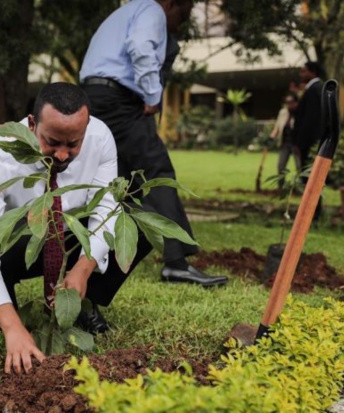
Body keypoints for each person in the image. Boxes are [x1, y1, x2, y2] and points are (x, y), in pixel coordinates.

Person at [0, 83, 153, 375]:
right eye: (52, 142)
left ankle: (85, 300)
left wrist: (82, 269)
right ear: (31, 124)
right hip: (23, 241)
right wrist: (13, 327)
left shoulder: (100, 137)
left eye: (73, 144)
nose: (63, 155)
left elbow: (105, 209)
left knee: (135, 226)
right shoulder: (3, 149)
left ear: (87, 126)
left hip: (73, 236)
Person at [79, 0, 227, 287]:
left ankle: (101, 255)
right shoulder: (152, 9)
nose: (176, 26)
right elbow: (141, 46)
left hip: (95, 97)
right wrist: (152, 96)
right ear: (171, 4)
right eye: (179, 18)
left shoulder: (126, 12)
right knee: (156, 173)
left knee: (114, 180)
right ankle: (176, 263)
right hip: (119, 101)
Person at [293, 61, 324, 220]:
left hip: (309, 143)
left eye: (304, 71)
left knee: (310, 178)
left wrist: (300, 143)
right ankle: (312, 212)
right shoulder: (316, 89)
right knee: (311, 178)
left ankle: (313, 213)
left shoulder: (314, 90)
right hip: (312, 142)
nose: (301, 75)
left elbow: (309, 120)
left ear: (312, 72)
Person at [270, 92, 301, 189]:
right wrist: (271, 137)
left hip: (296, 144)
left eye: (291, 102)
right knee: (281, 166)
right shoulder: (283, 112)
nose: (289, 105)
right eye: (287, 102)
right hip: (285, 143)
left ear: (296, 102)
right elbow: (277, 127)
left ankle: (301, 187)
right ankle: (281, 187)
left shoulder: (300, 112)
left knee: (299, 167)